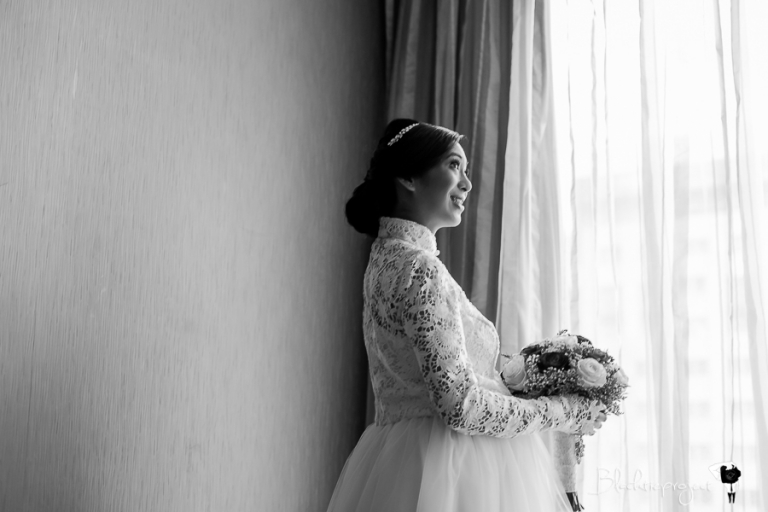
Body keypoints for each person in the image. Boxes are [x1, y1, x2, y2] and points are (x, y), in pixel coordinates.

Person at [327, 119, 606, 512]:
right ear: (408, 176)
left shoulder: (384, 260)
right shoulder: (419, 268)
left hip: (399, 461)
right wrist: (560, 412)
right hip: (449, 469)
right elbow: (461, 406)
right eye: (454, 165)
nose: (468, 184)